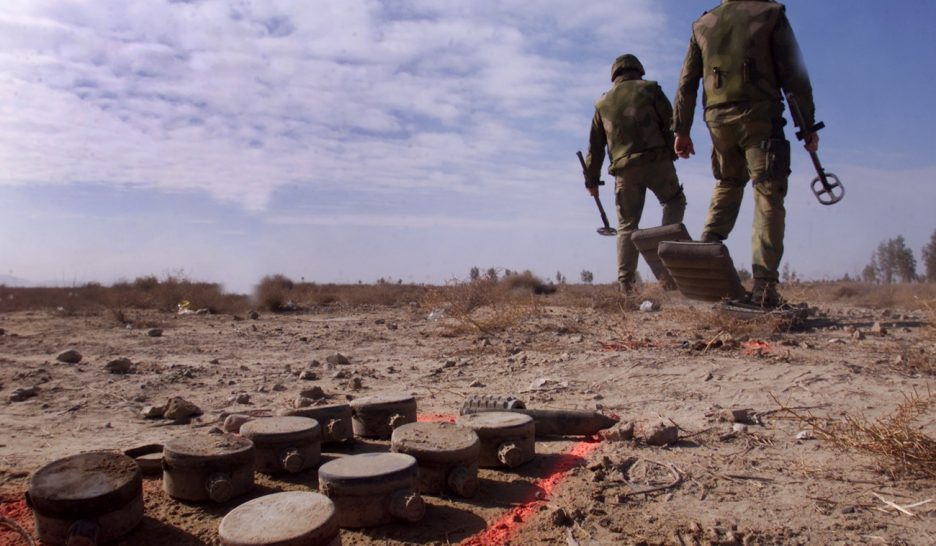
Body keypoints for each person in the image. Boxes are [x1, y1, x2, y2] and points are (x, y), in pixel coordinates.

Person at [672, 0, 819, 307]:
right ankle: (765, 287)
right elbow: (794, 73)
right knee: (767, 192)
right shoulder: (770, 13)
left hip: (717, 119)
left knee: (728, 182)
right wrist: (806, 126)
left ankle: (705, 262)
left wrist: (681, 131)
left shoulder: (702, 24)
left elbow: (687, 83)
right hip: (759, 115)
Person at [584, 54, 686, 294]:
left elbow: (595, 147)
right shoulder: (650, 89)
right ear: (638, 70)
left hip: (624, 170)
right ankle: (667, 264)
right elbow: (671, 123)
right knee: (673, 201)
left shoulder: (602, 104)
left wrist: (592, 180)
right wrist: (676, 148)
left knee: (627, 226)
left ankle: (625, 285)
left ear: (614, 76)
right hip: (657, 161)